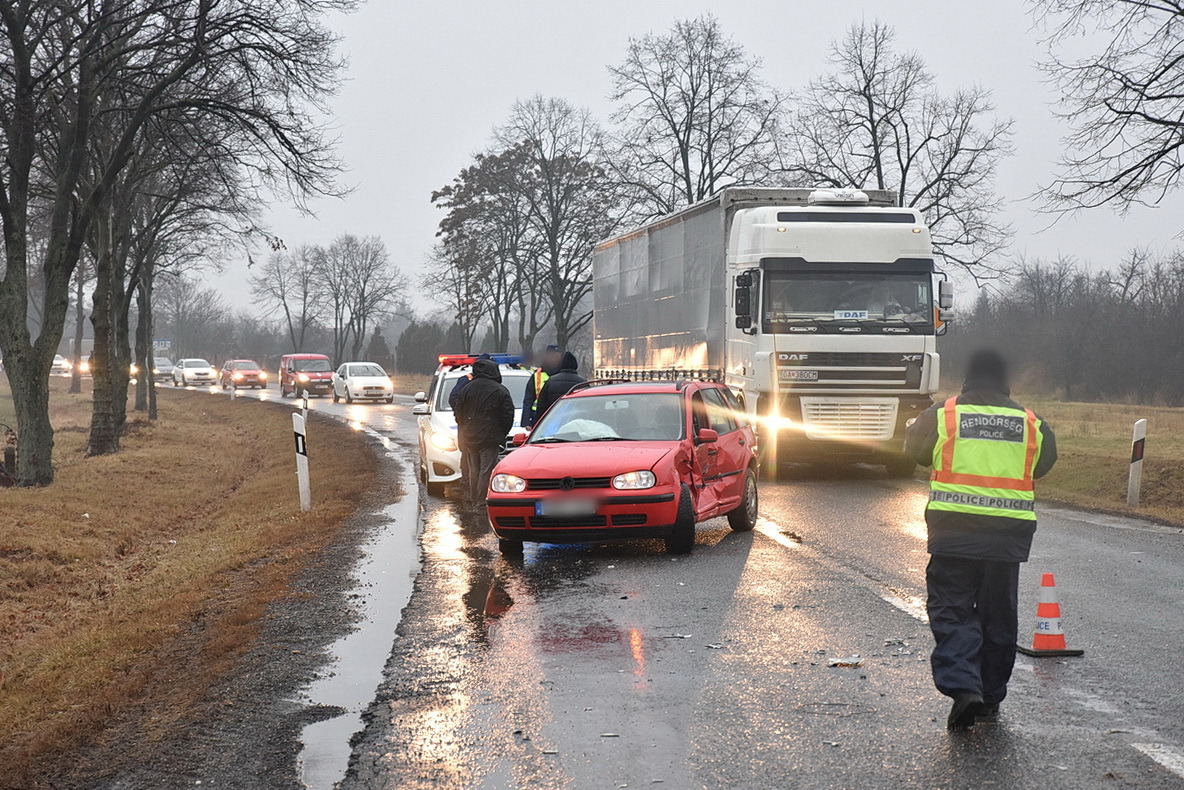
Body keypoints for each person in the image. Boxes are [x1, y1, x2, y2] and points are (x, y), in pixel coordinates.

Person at [905, 348, 1057, 729]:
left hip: (953, 535)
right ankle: (989, 696)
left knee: (952, 611)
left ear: (968, 378)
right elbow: (1045, 462)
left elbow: (915, 453)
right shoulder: (1031, 422)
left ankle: (963, 687)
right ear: (1005, 380)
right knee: (998, 618)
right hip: (1007, 540)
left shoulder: (944, 414)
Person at [454, 357, 515, 504]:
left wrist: (465, 427)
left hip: (470, 436)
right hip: (490, 437)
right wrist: (502, 433)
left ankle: (474, 499)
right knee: (486, 470)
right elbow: (507, 414)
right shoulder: (499, 390)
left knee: (473, 470)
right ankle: (482, 502)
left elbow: (458, 411)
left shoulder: (467, 388)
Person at [534, 352, 585, 421]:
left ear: (561, 365)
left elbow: (541, 406)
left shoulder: (550, 382)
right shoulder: (582, 383)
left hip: (552, 422)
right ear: (575, 365)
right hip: (575, 422)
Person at [522, 345, 562, 427]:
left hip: (560, 416)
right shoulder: (537, 375)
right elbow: (528, 400)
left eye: (556, 356)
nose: (554, 358)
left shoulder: (564, 374)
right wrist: (526, 422)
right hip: (539, 417)